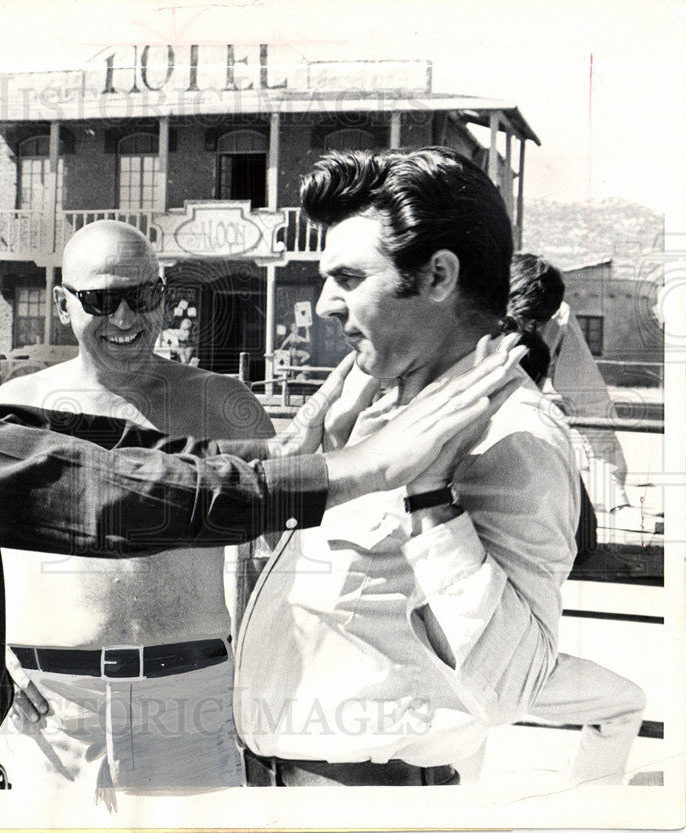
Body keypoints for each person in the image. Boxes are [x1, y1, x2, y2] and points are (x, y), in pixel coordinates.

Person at [0, 99, 523, 791]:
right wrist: (360, 468)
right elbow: (91, 488)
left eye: (143, 296)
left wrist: (289, 456)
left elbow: (106, 448)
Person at [233, 147, 579, 787]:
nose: (324, 306)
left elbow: (513, 685)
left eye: (348, 279)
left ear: (438, 276)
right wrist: (309, 470)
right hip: (280, 784)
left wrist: (430, 500)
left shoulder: (513, 435)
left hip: (372, 799)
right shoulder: (369, 411)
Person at [0, 220, 275, 798]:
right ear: (64, 303)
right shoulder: (14, 409)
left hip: (193, 703)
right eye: (100, 300)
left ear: (162, 298)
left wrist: (259, 707)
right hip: (50, 716)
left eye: (140, 297)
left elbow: (266, 566)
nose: (124, 319)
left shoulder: (223, 406)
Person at [508, 253, 646, 786]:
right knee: (621, 704)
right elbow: (593, 417)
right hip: (507, 654)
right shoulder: (542, 424)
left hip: (433, 636)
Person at [508, 253, 641, 532]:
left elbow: (590, 404)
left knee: (582, 534)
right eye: (521, 323)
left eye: (538, 323)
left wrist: (616, 499)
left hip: (520, 446)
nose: (530, 331)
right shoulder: (468, 310)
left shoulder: (558, 318)